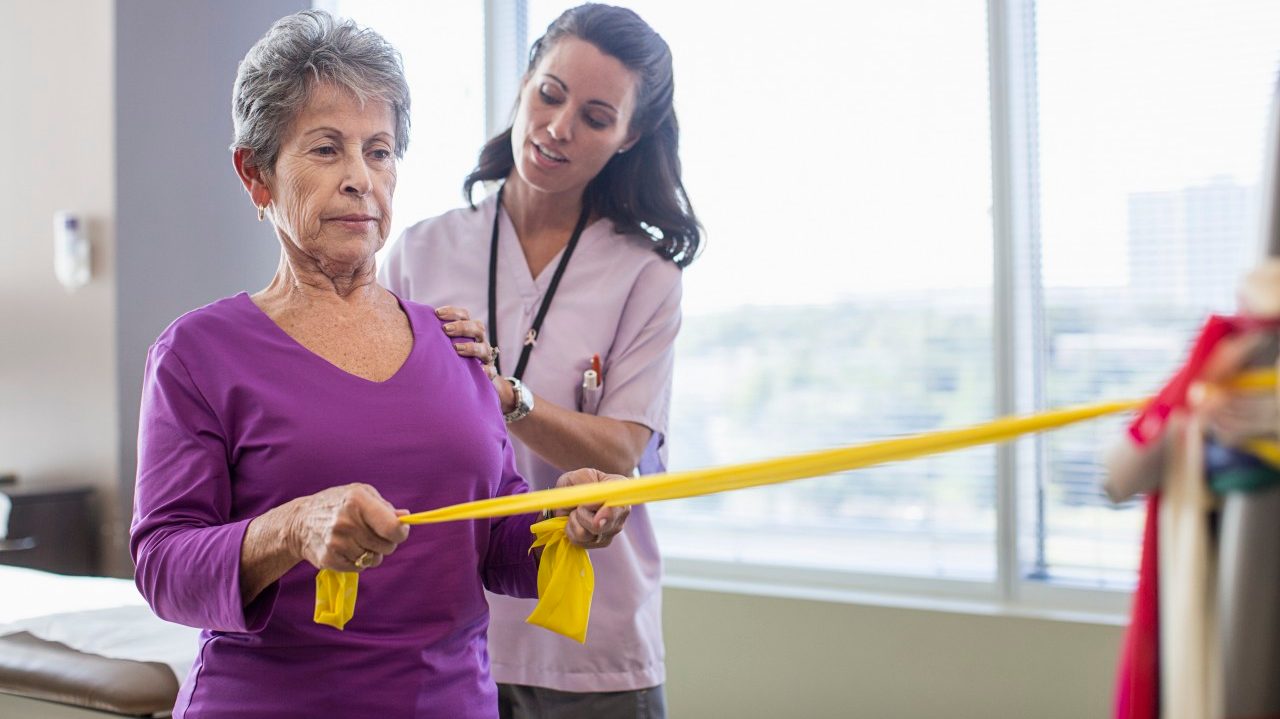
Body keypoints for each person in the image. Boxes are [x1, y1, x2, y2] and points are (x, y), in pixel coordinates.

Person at [129, 10, 630, 718]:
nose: (361, 178)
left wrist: (563, 520)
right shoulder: (198, 354)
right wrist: (292, 527)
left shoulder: (456, 348)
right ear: (256, 174)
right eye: (327, 150)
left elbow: (498, 550)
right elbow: (162, 568)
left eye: (381, 151)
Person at [380, 5, 701, 717]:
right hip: (445, 627)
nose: (558, 128)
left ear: (630, 136)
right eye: (550, 94)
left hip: (588, 641)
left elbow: (622, 447)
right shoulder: (420, 252)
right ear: (525, 82)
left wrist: (510, 400)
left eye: (595, 116)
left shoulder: (645, 275)